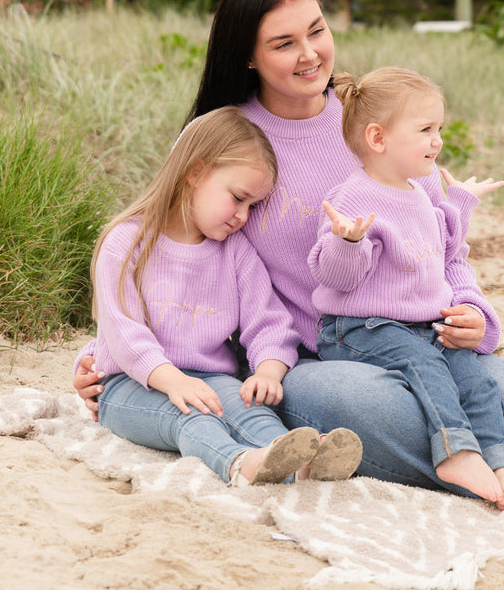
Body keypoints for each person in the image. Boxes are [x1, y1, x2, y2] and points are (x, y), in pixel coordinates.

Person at [76, 0, 504, 501]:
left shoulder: (371, 120)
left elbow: (444, 244)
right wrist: (110, 359)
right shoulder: (226, 141)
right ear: (248, 54)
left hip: (424, 339)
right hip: (316, 362)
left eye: (317, 30)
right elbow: (169, 254)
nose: (310, 53)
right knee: (357, 410)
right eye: (284, 42)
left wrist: (473, 308)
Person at [80, 105, 362, 486]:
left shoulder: (235, 252)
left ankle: (297, 461)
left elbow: (268, 323)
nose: (242, 216)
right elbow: (123, 334)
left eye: (252, 206)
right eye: (238, 197)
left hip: (211, 377)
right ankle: (240, 463)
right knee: (192, 416)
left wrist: (268, 371)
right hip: (132, 386)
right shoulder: (127, 243)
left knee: (251, 408)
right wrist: (173, 381)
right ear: (195, 173)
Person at [309, 67, 504, 509]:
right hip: (358, 327)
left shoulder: (417, 193)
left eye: (439, 129)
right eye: (426, 130)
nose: (438, 141)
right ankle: (457, 453)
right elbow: (336, 276)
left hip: (421, 324)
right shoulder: (353, 198)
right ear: (378, 138)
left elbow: (445, 250)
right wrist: (347, 242)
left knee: (471, 375)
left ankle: (500, 461)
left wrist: (460, 203)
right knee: (426, 365)